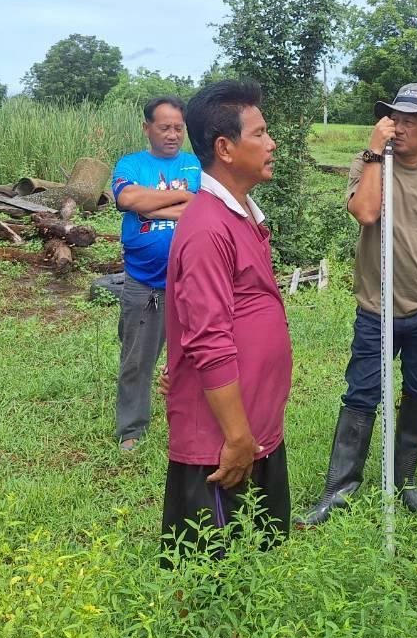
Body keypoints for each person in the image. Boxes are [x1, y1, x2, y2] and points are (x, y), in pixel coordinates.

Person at [298, 83, 417, 526]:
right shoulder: (371, 163)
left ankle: (404, 481)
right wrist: (376, 155)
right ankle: (339, 490)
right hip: (376, 309)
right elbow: (365, 213)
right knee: (361, 393)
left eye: (410, 121)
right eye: (393, 118)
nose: (398, 127)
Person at [159, 80, 293, 553]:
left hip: (253, 430)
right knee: (213, 582)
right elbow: (209, 341)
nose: (272, 143)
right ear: (225, 148)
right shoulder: (207, 228)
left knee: (261, 565)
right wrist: (237, 438)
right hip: (222, 444)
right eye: (260, 133)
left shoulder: (240, 217)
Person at [111, 96, 201, 450]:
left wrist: (153, 209)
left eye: (178, 128)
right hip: (144, 283)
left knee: (197, 357)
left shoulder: (196, 165)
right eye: (164, 127)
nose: (173, 135)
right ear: (147, 128)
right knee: (136, 359)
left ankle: (192, 421)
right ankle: (131, 430)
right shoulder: (131, 163)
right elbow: (128, 200)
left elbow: (199, 205)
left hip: (191, 282)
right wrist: (179, 203)